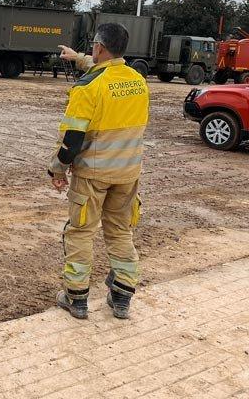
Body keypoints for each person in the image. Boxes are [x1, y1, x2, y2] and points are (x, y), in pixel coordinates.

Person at [51, 23, 149, 320]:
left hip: (93, 175)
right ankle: (121, 297)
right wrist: (76, 57)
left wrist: (57, 169)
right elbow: (105, 70)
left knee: (80, 232)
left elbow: (73, 139)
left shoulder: (88, 88)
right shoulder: (138, 81)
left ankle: (76, 297)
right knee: (120, 231)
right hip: (128, 173)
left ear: (99, 48)